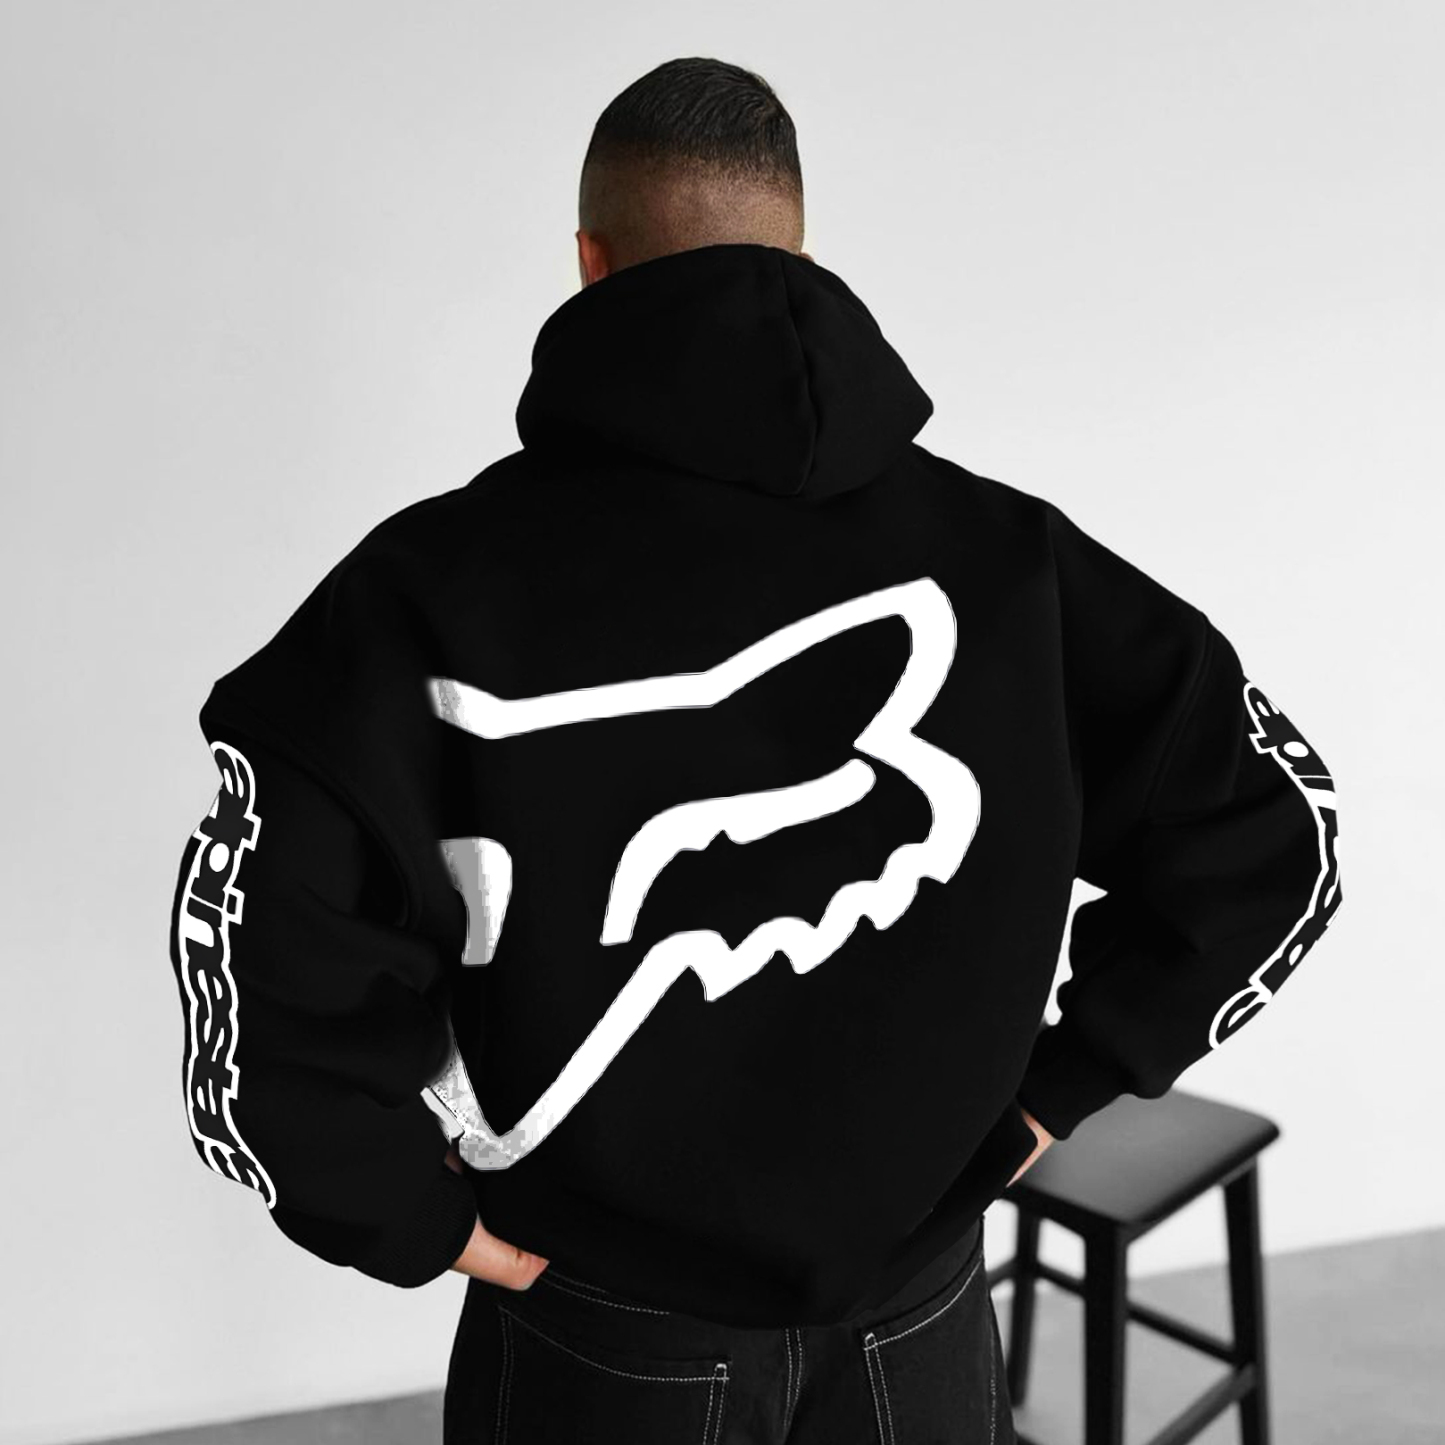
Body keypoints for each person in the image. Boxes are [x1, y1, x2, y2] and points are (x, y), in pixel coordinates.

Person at [168, 55, 1344, 1445]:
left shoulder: (417, 597)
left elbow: (260, 969)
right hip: (920, 1313)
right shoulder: (1014, 563)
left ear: (591, 262)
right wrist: (1061, 1088)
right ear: (797, 247)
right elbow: (1280, 832)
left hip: (603, 1333)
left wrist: (409, 1218)